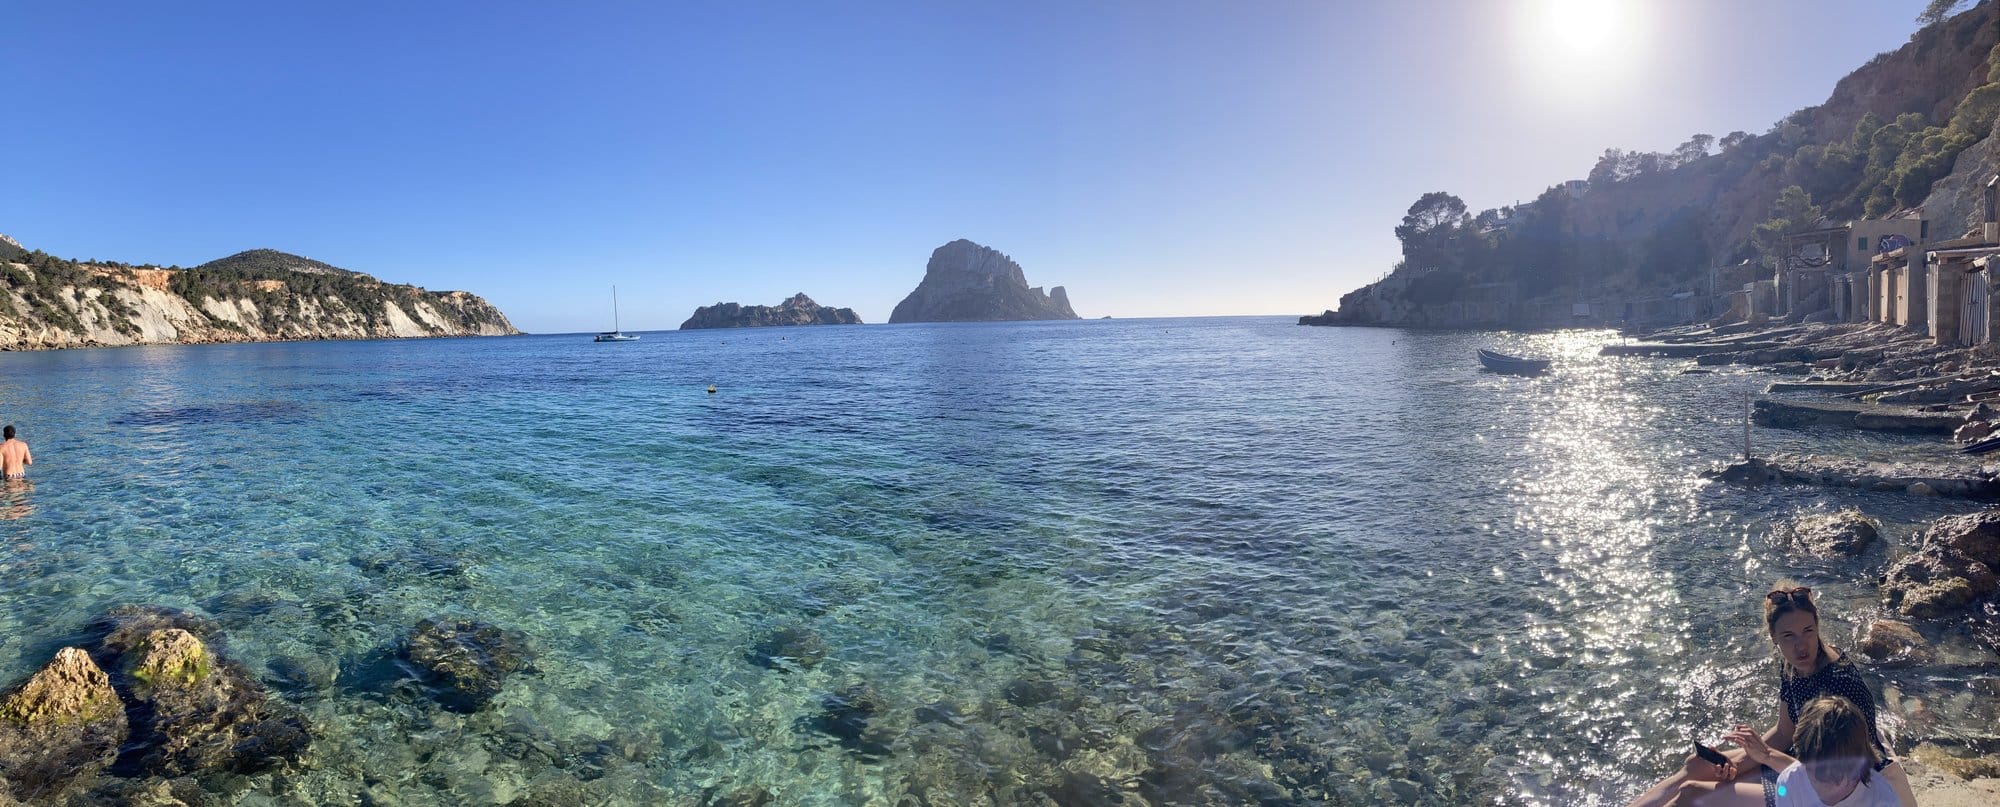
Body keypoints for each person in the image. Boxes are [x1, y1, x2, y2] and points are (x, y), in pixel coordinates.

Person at [1625, 583, 1907, 807]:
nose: (1801, 645)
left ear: (1818, 626)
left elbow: (1841, 772)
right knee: (1696, 765)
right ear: (1775, 638)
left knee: (1692, 795)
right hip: (1797, 762)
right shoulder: (1793, 665)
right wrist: (1736, 766)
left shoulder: (1837, 687)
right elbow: (1785, 731)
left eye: (1808, 631)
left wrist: (1763, 758)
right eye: (1789, 636)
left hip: (1827, 786)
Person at [1726, 695, 1914, 806]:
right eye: (1816, 774)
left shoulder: (1882, 798)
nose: (1827, 787)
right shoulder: (1791, 781)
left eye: (1838, 777)